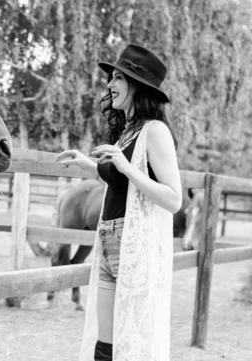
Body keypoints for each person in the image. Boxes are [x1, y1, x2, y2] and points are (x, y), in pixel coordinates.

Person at [56, 44, 182, 361]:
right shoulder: (128, 131)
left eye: (117, 79)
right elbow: (119, 182)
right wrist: (86, 163)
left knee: (133, 343)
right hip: (109, 243)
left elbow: (174, 198)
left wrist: (127, 167)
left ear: (137, 86)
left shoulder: (155, 132)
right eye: (111, 78)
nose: (110, 85)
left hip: (134, 249)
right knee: (106, 346)